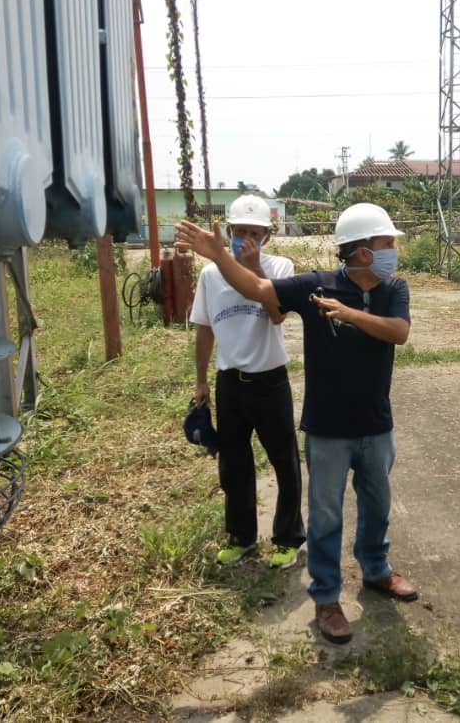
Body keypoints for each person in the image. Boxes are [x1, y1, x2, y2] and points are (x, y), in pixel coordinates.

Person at [176, 203, 417, 645]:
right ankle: (326, 598)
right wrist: (221, 256)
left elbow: (399, 332)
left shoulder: (394, 288)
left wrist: (350, 315)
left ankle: (377, 570)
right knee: (325, 516)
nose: (393, 251)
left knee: (377, 506)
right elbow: (258, 288)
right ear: (363, 251)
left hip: (376, 425)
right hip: (327, 429)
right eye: (387, 243)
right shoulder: (315, 286)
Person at [189, 194, 305, 569]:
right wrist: (201, 381)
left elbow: (277, 315)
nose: (247, 240)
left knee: (284, 461)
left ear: (267, 237)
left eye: (256, 233)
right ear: (228, 232)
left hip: (270, 380)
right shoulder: (210, 275)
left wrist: (255, 269)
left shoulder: (280, 267)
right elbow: (205, 328)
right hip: (230, 383)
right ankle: (242, 537)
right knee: (234, 464)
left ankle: (288, 538)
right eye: (241, 232)